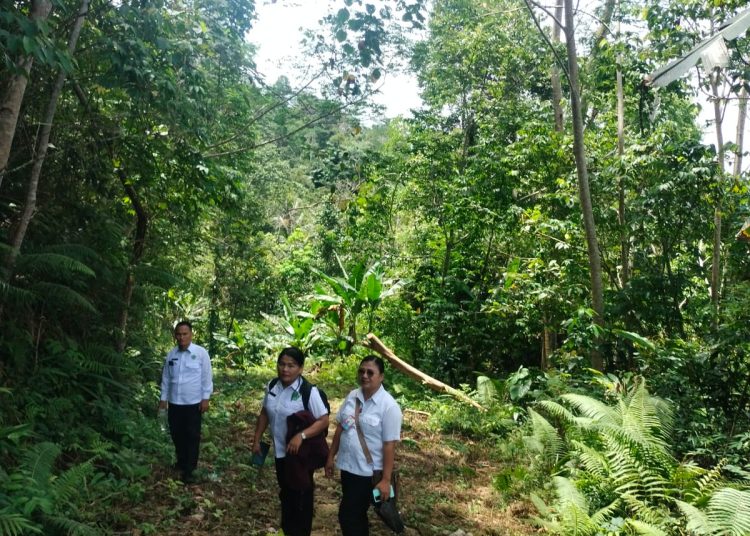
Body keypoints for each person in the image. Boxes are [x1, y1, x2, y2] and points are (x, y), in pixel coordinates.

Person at [252, 347, 330, 536]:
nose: (285, 369)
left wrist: (300, 436)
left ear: (301, 368)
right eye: (282, 364)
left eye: (291, 365)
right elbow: (264, 414)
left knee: (301, 496)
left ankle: (300, 531)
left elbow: (323, 420)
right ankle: (287, 530)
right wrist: (256, 440)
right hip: (280, 451)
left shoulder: (307, 391)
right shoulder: (272, 386)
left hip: (300, 455)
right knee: (286, 492)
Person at [325, 355, 403, 536]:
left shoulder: (389, 407)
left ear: (381, 376)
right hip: (348, 467)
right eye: (361, 371)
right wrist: (330, 457)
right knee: (355, 515)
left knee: (349, 515)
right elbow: (341, 427)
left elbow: (389, 445)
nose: (365, 376)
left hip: (367, 474)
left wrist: (385, 479)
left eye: (370, 372)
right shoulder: (353, 396)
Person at [159, 321, 213, 484]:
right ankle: (181, 462)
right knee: (177, 434)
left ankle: (190, 470)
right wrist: (163, 399)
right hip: (175, 403)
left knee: (192, 436)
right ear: (175, 335)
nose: (181, 337)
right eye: (178, 334)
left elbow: (206, 376)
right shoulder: (172, 354)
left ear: (191, 334)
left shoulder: (200, 353)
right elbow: (166, 378)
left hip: (193, 403)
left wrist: (206, 398)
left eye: (185, 334)